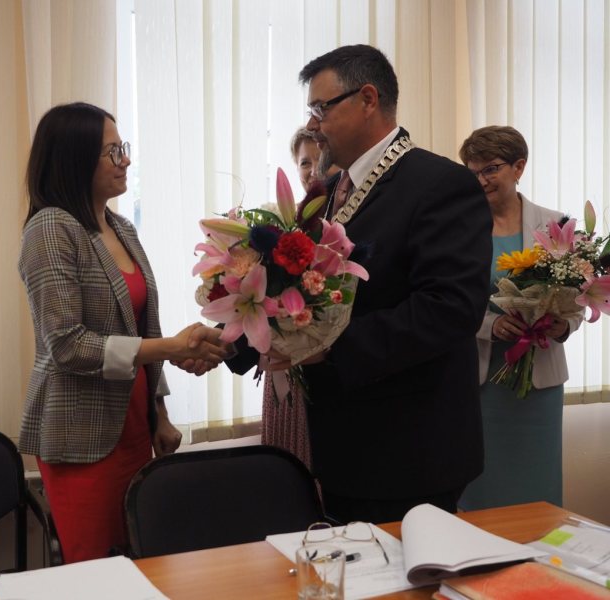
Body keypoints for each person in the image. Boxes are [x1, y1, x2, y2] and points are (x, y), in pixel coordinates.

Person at [222, 44, 493, 524]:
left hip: (411, 449)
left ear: (368, 99)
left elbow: (450, 308)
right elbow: (295, 292)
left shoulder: (439, 183)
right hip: (343, 443)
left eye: (320, 108)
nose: (312, 124)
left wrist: (329, 348)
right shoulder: (327, 193)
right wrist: (229, 341)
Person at [18, 102, 226, 563]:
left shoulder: (122, 227)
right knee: (98, 576)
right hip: (81, 440)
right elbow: (67, 346)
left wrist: (160, 414)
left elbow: (142, 327)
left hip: (134, 430)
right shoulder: (50, 228)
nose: (126, 160)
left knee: (142, 567)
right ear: (74, 159)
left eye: (123, 147)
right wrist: (172, 347)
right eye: (112, 151)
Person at [457, 125, 581, 510]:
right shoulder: (460, 229)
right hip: (482, 383)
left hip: (539, 385)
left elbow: (577, 298)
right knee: (482, 488)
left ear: (519, 167)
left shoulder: (556, 225)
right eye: (473, 172)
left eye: (491, 169)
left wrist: (564, 324)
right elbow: (450, 300)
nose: (481, 180)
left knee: (537, 489)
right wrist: (490, 325)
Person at [260, 128, 341, 470]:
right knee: (286, 470)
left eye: (320, 160)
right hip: (284, 367)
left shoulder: (345, 223)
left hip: (330, 366)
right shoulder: (281, 226)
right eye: (305, 162)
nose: (313, 170)